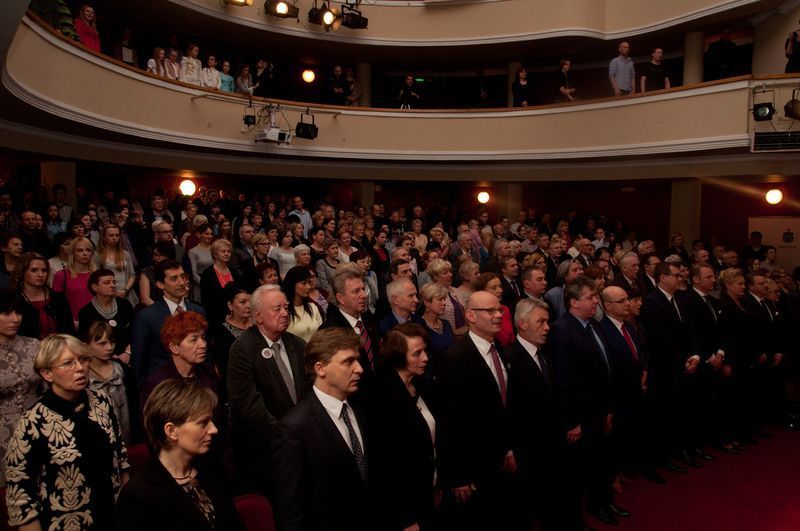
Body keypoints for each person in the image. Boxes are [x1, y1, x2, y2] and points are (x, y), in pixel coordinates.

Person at [5, 334, 129, 530]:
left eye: (83, 360)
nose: (80, 368)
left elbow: (121, 459)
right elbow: (21, 497)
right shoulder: (33, 422)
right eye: (68, 363)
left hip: (111, 518)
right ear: (47, 374)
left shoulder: (102, 402)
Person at [270, 327, 376, 531]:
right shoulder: (293, 429)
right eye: (348, 361)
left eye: (358, 360)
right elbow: (290, 511)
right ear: (320, 369)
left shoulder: (361, 410)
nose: (359, 369)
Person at [115, 379, 245, 531]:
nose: (214, 429)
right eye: (203, 423)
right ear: (171, 431)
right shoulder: (138, 496)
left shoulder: (212, 466)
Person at [436, 290, 517, 530]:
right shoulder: (454, 358)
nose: (498, 315)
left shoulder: (499, 347)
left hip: (499, 458)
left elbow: (502, 405)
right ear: (470, 316)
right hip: (472, 465)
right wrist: (457, 476)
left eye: (499, 310)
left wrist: (508, 449)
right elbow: (449, 422)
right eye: (490, 311)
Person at [549, 276, 623, 529]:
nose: (595, 301)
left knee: (601, 460)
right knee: (579, 469)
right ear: (573, 302)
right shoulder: (561, 330)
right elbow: (564, 379)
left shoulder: (594, 324)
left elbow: (605, 368)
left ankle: (602, 502)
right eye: (590, 298)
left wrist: (609, 408)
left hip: (600, 409)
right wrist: (572, 421)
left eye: (595, 297)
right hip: (580, 415)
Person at [227, 284, 309, 495]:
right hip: (265, 451)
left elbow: (309, 392)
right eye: (277, 309)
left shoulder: (298, 345)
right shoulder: (242, 349)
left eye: (286, 307)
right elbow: (247, 404)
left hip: (302, 446)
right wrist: (285, 435)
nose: (284, 313)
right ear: (259, 317)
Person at [505, 298, 563, 530]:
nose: (547, 327)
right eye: (541, 322)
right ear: (522, 324)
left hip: (549, 444)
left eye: (547, 322)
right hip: (525, 449)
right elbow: (509, 409)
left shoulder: (545, 353)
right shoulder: (509, 357)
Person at [373, 323, 438, 530]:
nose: (425, 358)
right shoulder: (383, 396)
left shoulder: (419, 384)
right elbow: (389, 464)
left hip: (428, 492)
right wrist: (406, 518)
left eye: (425, 351)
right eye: (417, 353)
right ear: (397, 356)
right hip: (405, 508)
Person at [140, 311, 223, 431]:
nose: (203, 344)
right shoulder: (157, 384)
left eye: (203, 337)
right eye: (194, 339)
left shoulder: (209, 374)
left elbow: (220, 422)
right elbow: (152, 431)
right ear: (174, 348)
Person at [131, 260, 205, 387]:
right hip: (162, 390)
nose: (182, 283)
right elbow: (138, 362)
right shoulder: (146, 317)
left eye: (183, 277)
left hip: (195, 387)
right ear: (160, 284)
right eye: (174, 279)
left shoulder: (198, 311)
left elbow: (206, 353)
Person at [0, 290, 40, 488]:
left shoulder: (34, 346)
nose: (15, 319)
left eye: (18, 313)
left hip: (35, 428)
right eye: (6, 313)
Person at [321, 265, 381, 381]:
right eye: (356, 291)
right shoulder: (330, 331)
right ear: (340, 298)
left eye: (363, 289)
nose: (364, 295)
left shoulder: (369, 318)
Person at [85, 320, 131, 443]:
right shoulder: (83, 374)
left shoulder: (121, 369)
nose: (109, 347)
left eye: (112, 342)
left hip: (126, 432)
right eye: (102, 343)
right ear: (87, 344)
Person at [14, 252, 75, 339]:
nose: (40, 275)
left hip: (59, 349)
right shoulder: (14, 300)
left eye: (44, 270)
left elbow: (69, 331)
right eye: (34, 270)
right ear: (22, 272)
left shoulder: (58, 298)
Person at [77, 268, 135, 357]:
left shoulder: (124, 305)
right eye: (107, 282)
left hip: (128, 356)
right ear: (94, 287)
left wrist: (127, 353)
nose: (113, 285)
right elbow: (85, 343)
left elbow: (136, 332)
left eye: (114, 282)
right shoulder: (86, 312)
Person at [52, 236, 96, 325]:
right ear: (72, 253)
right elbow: (57, 305)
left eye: (88, 250)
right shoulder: (61, 275)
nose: (85, 253)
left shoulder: (97, 275)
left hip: (96, 324)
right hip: (72, 324)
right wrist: (71, 322)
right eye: (80, 250)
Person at [200, 238, 242, 327]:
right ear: (215, 254)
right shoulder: (207, 274)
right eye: (223, 251)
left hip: (236, 318)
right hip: (216, 320)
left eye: (228, 251)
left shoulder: (234, 272)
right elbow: (206, 302)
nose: (227, 254)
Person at [95, 224, 138, 305]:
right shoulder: (98, 255)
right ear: (104, 237)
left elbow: (132, 275)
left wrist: (125, 290)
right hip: (108, 294)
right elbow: (96, 277)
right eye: (111, 235)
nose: (115, 238)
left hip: (126, 292)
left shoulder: (125, 254)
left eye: (117, 235)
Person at [427, 258, 468, 337]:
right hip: (447, 337)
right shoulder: (431, 294)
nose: (450, 275)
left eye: (450, 272)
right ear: (435, 277)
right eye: (445, 273)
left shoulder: (455, 290)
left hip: (464, 335)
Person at [282, 266, 323, 342]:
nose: (308, 286)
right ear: (292, 284)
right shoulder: (284, 311)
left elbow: (321, 334)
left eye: (309, 282)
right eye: (303, 283)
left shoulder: (313, 307)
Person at [474, 272, 515, 347]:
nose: (500, 290)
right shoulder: (479, 313)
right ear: (482, 291)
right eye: (494, 288)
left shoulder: (505, 309)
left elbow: (512, 338)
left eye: (500, 286)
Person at [138, 240, 175, 306]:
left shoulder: (175, 271)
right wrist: (160, 310)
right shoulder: (147, 272)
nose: (157, 258)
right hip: (154, 307)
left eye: (161, 255)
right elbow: (145, 298)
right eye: (155, 255)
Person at [189, 223, 214, 301]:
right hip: (200, 285)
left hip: (214, 283)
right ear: (199, 234)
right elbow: (194, 274)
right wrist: (205, 285)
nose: (210, 236)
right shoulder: (193, 251)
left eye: (211, 234)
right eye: (206, 234)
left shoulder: (214, 249)